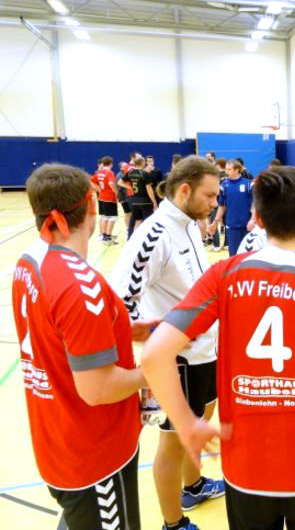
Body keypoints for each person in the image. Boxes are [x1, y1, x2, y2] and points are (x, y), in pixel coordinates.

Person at [141, 165, 295, 530]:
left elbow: (155, 354)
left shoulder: (223, 274)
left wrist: (187, 424)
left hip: (246, 467)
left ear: (255, 217)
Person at [12, 164, 154, 530]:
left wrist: (124, 330)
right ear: (91, 204)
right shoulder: (79, 285)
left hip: (57, 439)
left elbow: (57, 337)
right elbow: (98, 388)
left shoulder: (29, 262)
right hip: (95, 454)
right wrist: (154, 368)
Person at [111, 157, 224, 530]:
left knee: (201, 417)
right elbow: (118, 303)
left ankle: (193, 486)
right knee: (173, 441)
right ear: (185, 190)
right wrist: (150, 335)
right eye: (209, 195)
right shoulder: (153, 235)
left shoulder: (190, 223)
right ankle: (172, 524)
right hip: (180, 360)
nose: (214, 202)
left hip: (206, 349)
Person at [210, 159, 252, 256]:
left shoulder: (248, 184)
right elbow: (222, 205)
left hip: (248, 226)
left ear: (237, 170)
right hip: (232, 226)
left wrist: (253, 219)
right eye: (226, 169)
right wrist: (215, 222)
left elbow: (255, 204)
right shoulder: (224, 185)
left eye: (229, 169)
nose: (226, 172)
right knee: (233, 255)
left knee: (248, 255)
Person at [120, 155, 157, 237]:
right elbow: (149, 189)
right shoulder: (144, 174)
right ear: (143, 163)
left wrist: (130, 187)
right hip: (145, 201)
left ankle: (133, 238)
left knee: (137, 221)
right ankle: (146, 239)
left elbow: (120, 182)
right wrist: (154, 202)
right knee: (148, 221)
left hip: (134, 201)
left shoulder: (130, 173)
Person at [91, 155, 119, 244]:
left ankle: (103, 236)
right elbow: (111, 183)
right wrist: (116, 192)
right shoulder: (109, 172)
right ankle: (108, 237)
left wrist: (99, 189)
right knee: (112, 217)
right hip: (110, 197)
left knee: (104, 216)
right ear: (111, 164)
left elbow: (90, 181)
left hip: (101, 196)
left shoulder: (99, 172)